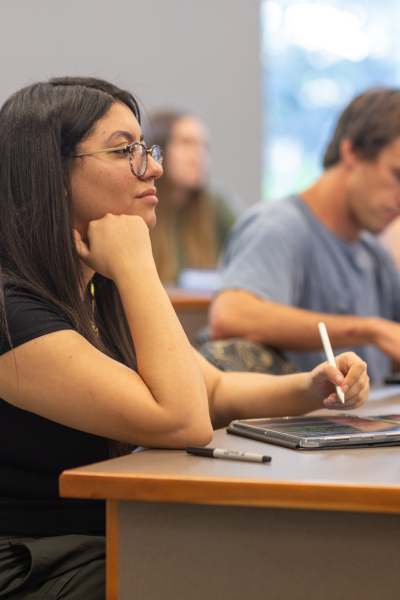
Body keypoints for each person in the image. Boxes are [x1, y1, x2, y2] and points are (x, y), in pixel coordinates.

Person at [0, 77, 368, 600]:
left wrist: (311, 388)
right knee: (259, 568)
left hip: (107, 537)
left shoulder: (96, 289)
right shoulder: (11, 310)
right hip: (37, 562)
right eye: (125, 150)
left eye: (144, 148)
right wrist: (136, 265)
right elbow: (184, 421)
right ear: (51, 175)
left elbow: (211, 392)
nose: (154, 167)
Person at [209, 87, 400, 385]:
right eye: (397, 175)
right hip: (291, 425)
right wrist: (370, 330)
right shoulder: (278, 227)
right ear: (351, 152)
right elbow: (230, 316)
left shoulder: (374, 255)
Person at [145, 110, 236, 286]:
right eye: (186, 143)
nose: (198, 155)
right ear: (158, 150)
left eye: (203, 146)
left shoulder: (214, 206)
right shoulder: (138, 205)